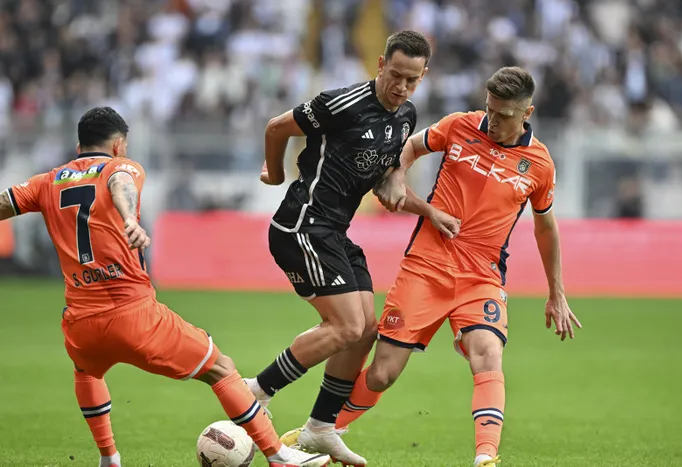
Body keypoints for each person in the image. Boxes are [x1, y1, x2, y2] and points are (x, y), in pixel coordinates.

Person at [0, 107, 330, 467]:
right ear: (118, 144)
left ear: (79, 146)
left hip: (81, 322)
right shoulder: (122, 167)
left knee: (87, 371)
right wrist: (129, 218)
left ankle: (109, 458)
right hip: (133, 315)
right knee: (221, 368)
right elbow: (119, 183)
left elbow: (5, 202)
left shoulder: (47, 181)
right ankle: (279, 456)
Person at [321, 66, 583, 467]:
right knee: (382, 374)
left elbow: (545, 228)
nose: (492, 121)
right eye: (489, 109)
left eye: (503, 115)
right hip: (426, 267)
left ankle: (486, 456)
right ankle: (322, 431)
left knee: (488, 353)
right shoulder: (459, 125)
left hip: (482, 276)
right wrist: (397, 174)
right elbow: (411, 146)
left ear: (526, 113)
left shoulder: (540, 164)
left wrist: (556, 293)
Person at [245, 31, 456, 466]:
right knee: (345, 326)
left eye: (412, 80)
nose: (401, 87)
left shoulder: (405, 116)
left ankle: (321, 428)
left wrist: (425, 208)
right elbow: (276, 127)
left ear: (423, 77)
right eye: (395, 75)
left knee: (364, 331)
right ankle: (254, 393)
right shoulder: (341, 104)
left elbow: (384, 184)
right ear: (380, 64)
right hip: (301, 225)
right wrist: (275, 173)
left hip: (335, 233)